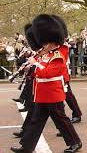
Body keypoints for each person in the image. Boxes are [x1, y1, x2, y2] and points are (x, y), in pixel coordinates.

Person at [11, 14, 82, 153]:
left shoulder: (57, 57)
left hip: (52, 95)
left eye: (45, 43)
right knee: (35, 122)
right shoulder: (45, 55)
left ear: (53, 42)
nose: (43, 45)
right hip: (42, 94)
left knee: (61, 120)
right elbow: (38, 73)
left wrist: (35, 64)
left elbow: (48, 73)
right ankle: (26, 147)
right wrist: (29, 68)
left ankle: (75, 142)